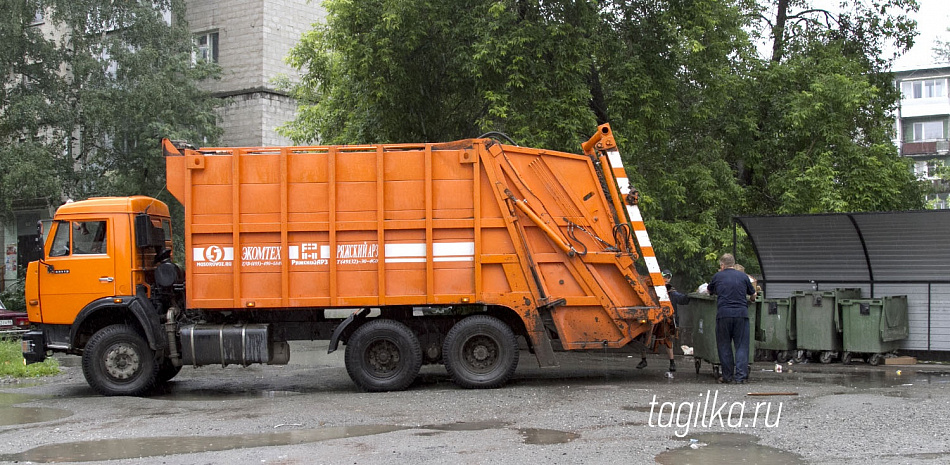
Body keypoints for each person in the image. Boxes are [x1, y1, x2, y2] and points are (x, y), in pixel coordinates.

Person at [708, 253, 756, 384]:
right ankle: (740, 377)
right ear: (734, 264)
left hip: (724, 315)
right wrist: (752, 298)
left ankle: (727, 376)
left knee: (724, 345)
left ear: (722, 265)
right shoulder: (743, 276)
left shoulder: (718, 276)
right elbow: (753, 294)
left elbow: (709, 291)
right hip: (741, 314)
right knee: (741, 346)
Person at [636, 269, 690, 372]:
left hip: (665, 320)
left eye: (667, 277)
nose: (666, 279)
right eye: (664, 276)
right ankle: (643, 360)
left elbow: (682, 299)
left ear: (669, 279)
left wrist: (691, 296)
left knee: (668, 340)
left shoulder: (671, 292)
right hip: (653, 318)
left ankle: (672, 362)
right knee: (645, 337)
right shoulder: (653, 289)